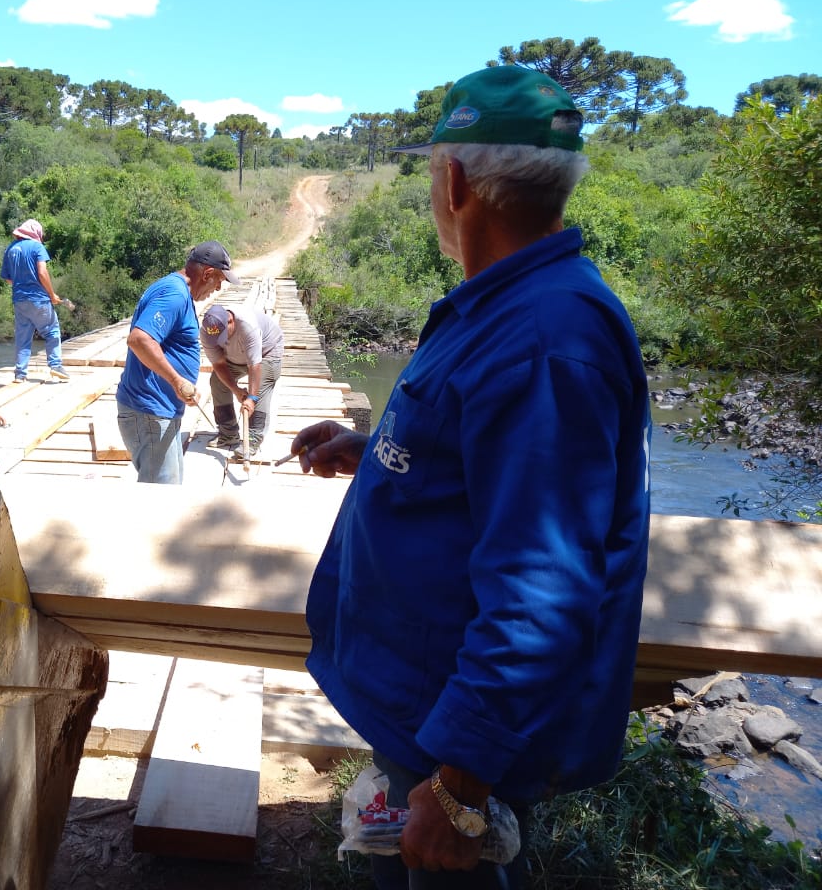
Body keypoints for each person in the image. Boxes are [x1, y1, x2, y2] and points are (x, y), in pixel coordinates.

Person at [291, 66, 651, 888]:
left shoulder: (546, 338)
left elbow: (544, 586)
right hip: (425, 714)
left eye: (431, 172)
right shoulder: (507, 307)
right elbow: (482, 461)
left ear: (455, 183)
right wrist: (380, 448)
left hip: (454, 743)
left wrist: (458, 790)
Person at [117, 240, 241, 483]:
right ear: (207, 273)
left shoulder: (176, 291)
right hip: (149, 412)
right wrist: (176, 381)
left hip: (159, 412)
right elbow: (139, 340)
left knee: (169, 488)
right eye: (218, 281)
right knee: (160, 499)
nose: (217, 289)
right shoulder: (174, 293)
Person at [200, 303, 284, 460]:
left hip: (266, 353)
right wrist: (236, 390)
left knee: (259, 389)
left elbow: (255, 365)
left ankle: (253, 438)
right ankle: (228, 433)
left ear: (230, 320)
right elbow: (218, 364)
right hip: (235, 356)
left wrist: (251, 398)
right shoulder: (207, 332)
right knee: (218, 382)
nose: (219, 340)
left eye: (223, 336)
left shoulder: (248, 326)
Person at [0, 218, 69, 383]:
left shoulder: (10, 249)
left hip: (19, 300)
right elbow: (42, 273)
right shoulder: (37, 247)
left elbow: (8, 279)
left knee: (23, 337)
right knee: (52, 331)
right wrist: (52, 295)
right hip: (38, 298)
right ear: (36, 233)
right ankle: (56, 366)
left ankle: (20, 374)